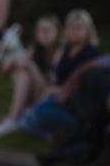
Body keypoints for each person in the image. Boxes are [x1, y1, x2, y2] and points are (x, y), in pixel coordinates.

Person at [35, 15, 110, 166]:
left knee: (97, 107)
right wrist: (68, 87)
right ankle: (71, 146)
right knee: (91, 79)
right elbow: (90, 66)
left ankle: (75, 148)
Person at [19, 9, 100, 142]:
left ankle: (71, 131)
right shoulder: (65, 51)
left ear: (88, 30)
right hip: (60, 100)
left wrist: (58, 90)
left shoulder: (91, 54)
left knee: (36, 114)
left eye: (79, 27)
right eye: (71, 26)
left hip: (76, 105)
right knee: (29, 118)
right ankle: (55, 133)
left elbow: (86, 85)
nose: (74, 30)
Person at [0, 14, 62, 139]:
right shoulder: (35, 49)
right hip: (38, 94)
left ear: (57, 32)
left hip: (51, 96)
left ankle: (13, 119)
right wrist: (11, 58)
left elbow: (51, 87)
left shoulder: (60, 53)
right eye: (40, 30)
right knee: (21, 71)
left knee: (26, 67)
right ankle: (13, 119)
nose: (43, 34)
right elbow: (4, 70)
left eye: (47, 30)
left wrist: (30, 66)